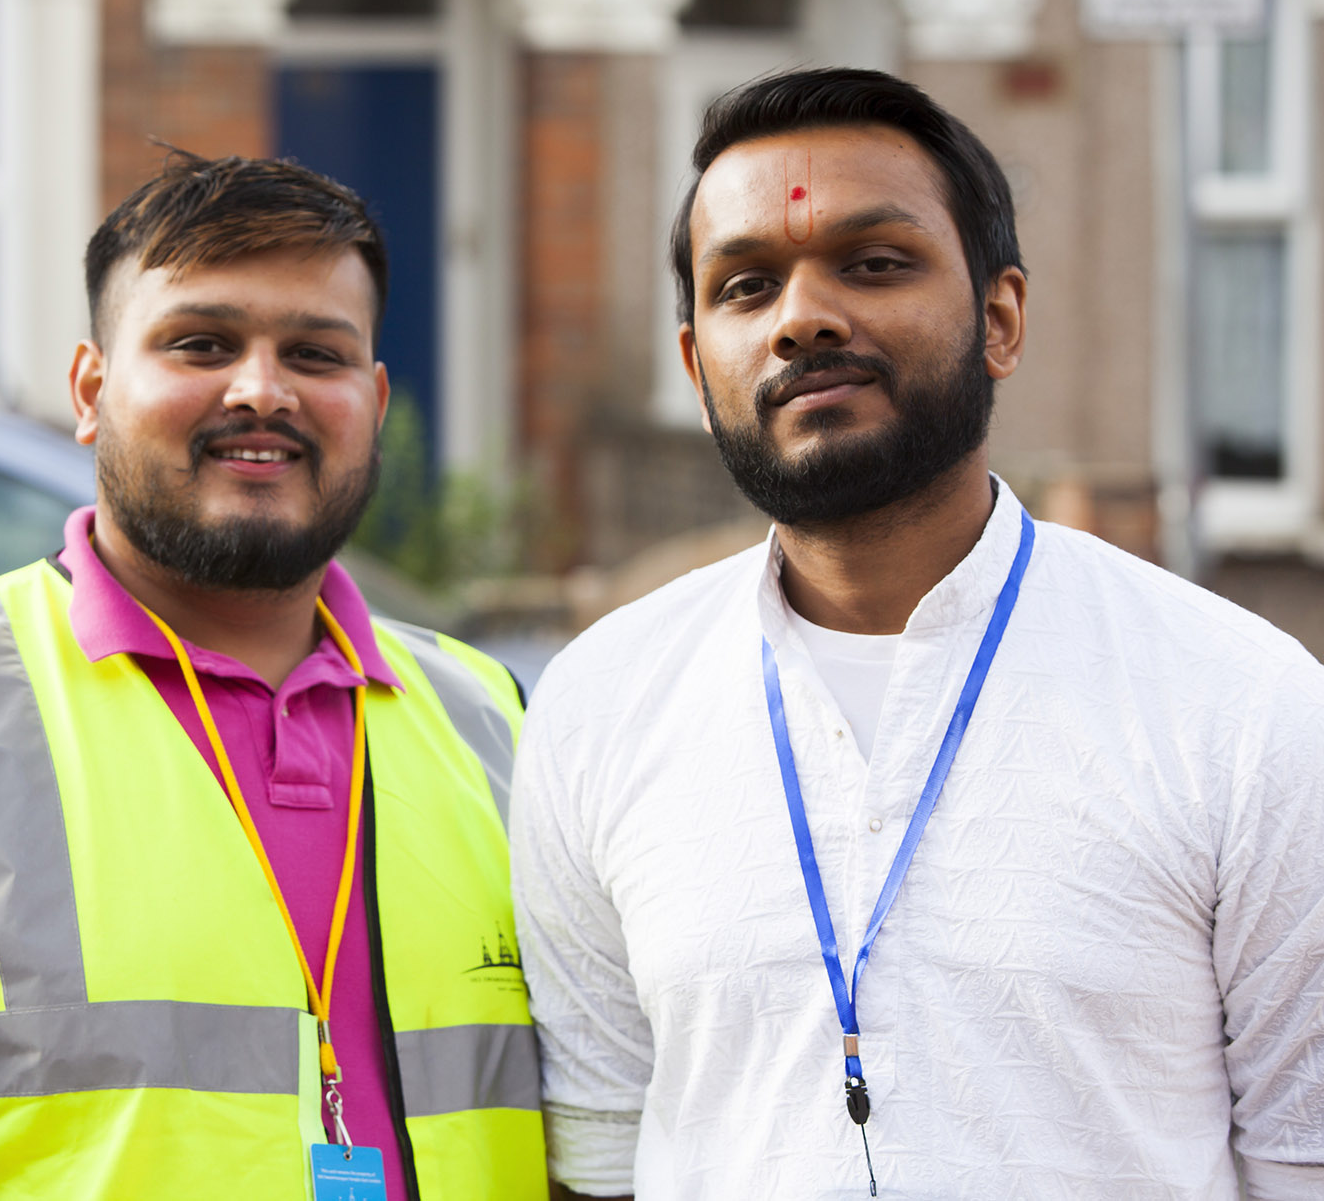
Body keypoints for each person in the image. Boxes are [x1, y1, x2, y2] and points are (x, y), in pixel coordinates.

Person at [510, 68, 1324, 1200]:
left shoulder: (1240, 702)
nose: (802, 318)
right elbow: (601, 1161)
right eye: (747, 285)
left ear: (999, 319)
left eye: (874, 263)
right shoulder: (599, 703)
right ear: (698, 370)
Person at [0, 152, 548, 1200]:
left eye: (315, 353)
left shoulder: (496, 721)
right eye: (201, 343)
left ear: (374, 401)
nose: (262, 389)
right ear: (91, 389)